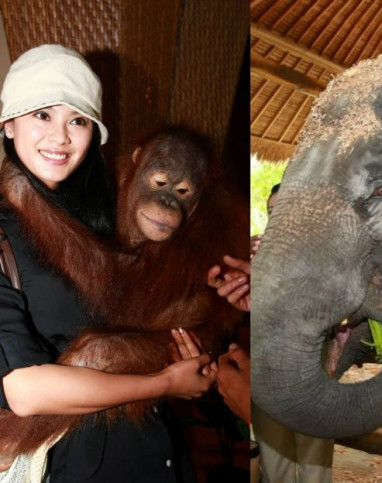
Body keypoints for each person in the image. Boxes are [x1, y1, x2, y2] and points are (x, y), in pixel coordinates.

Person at [0, 44, 215, 482]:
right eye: (43, 114)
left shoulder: (106, 205)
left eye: (77, 120)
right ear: (9, 123)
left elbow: (153, 297)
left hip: (156, 451)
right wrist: (167, 383)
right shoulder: (11, 223)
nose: (60, 137)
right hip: (75, 465)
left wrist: (230, 286)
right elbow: (23, 390)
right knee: (98, 349)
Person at [250, 183, 335, 483]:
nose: (277, 218)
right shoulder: (254, 255)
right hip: (266, 374)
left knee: (315, 462)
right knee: (275, 463)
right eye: (272, 211)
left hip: (310, 373)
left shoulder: (327, 256)